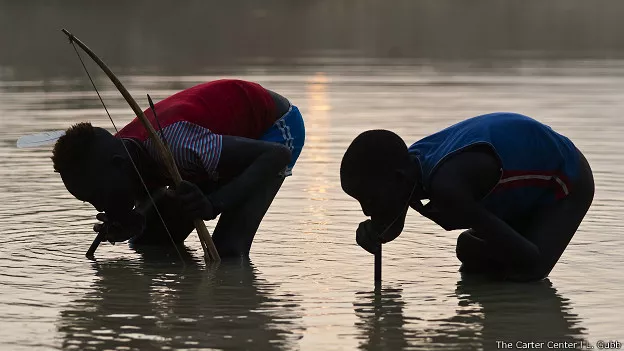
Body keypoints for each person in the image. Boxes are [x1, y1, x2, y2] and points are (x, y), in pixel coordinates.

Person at [51, 79, 305, 257]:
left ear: (118, 167)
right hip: (211, 144)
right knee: (150, 242)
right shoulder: (122, 154)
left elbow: (276, 156)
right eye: (90, 202)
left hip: (272, 131)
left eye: (98, 196)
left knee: (226, 251)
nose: (99, 207)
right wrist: (134, 221)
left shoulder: (175, 146)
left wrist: (214, 203)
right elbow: (146, 194)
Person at [340, 112, 594, 282]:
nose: (365, 210)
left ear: (397, 179)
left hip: (566, 177)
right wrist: (380, 232)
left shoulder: (447, 187)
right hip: (516, 186)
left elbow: (530, 259)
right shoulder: (409, 167)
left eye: (369, 200)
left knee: (527, 270)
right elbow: (394, 221)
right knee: (476, 259)